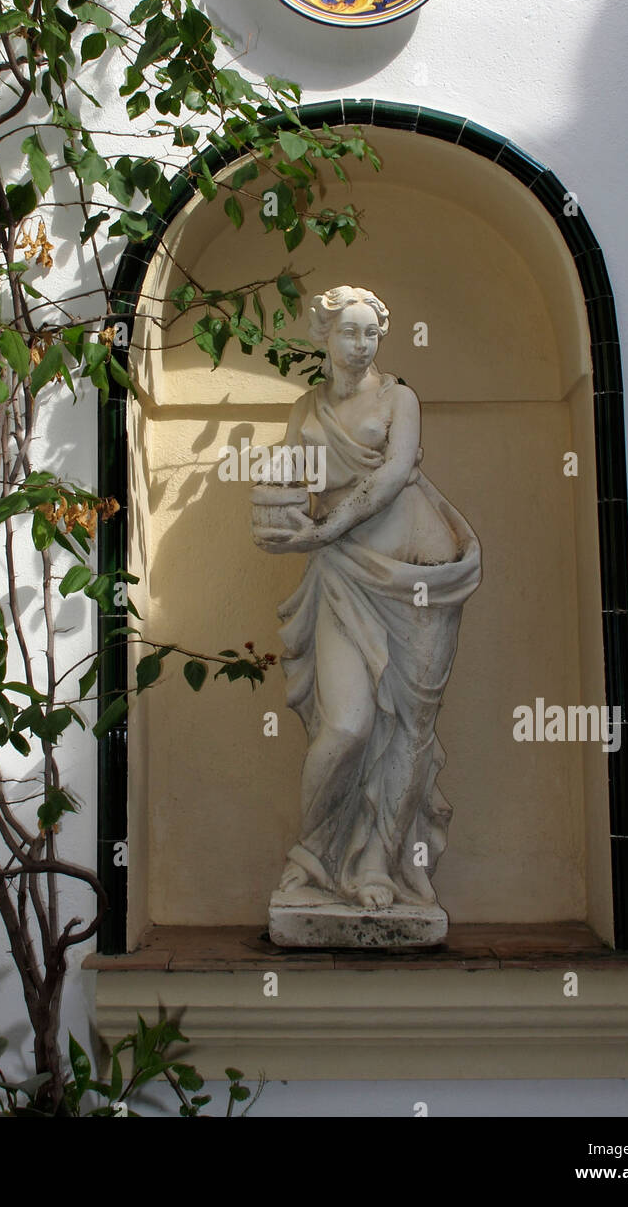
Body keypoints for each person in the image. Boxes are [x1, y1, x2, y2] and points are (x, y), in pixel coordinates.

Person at [254, 285, 481, 911]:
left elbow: (390, 472)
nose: (361, 344)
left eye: (371, 333)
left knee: (410, 727)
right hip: (342, 576)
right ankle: (312, 860)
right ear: (323, 336)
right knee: (347, 726)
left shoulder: (398, 398)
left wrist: (321, 528)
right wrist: (277, 518)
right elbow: (293, 485)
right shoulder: (305, 410)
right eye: (349, 332)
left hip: (419, 581)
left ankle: (379, 862)